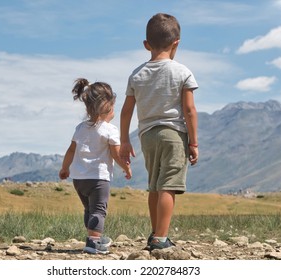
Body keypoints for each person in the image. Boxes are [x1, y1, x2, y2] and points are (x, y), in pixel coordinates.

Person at [120, 13, 199, 251]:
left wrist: (124, 141)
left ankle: (155, 233)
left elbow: (126, 112)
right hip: (173, 134)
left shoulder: (137, 74)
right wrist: (193, 143)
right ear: (177, 43)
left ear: (146, 45)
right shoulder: (182, 72)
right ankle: (161, 239)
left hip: (147, 136)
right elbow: (189, 110)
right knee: (168, 186)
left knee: (154, 186)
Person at [59, 78, 132, 254]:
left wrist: (65, 168)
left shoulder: (80, 128)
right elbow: (116, 153)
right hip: (99, 178)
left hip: (79, 179)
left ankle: (94, 238)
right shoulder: (110, 129)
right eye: (113, 104)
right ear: (107, 106)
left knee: (89, 209)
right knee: (99, 210)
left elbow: (71, 150)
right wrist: (126, 167)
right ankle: (93, 242)